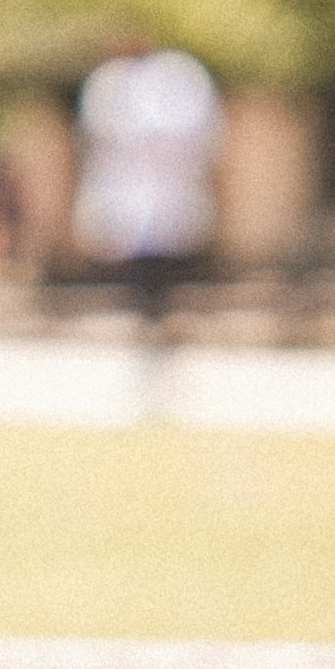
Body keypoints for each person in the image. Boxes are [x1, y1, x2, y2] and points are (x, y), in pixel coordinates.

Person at [66, 33, 220, 410]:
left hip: (168, 207)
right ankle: (149, 358)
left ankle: (163, 358)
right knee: (141, 285)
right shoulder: (111, 83)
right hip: (134, 208)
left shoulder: (178, 77)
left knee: (166, 283)